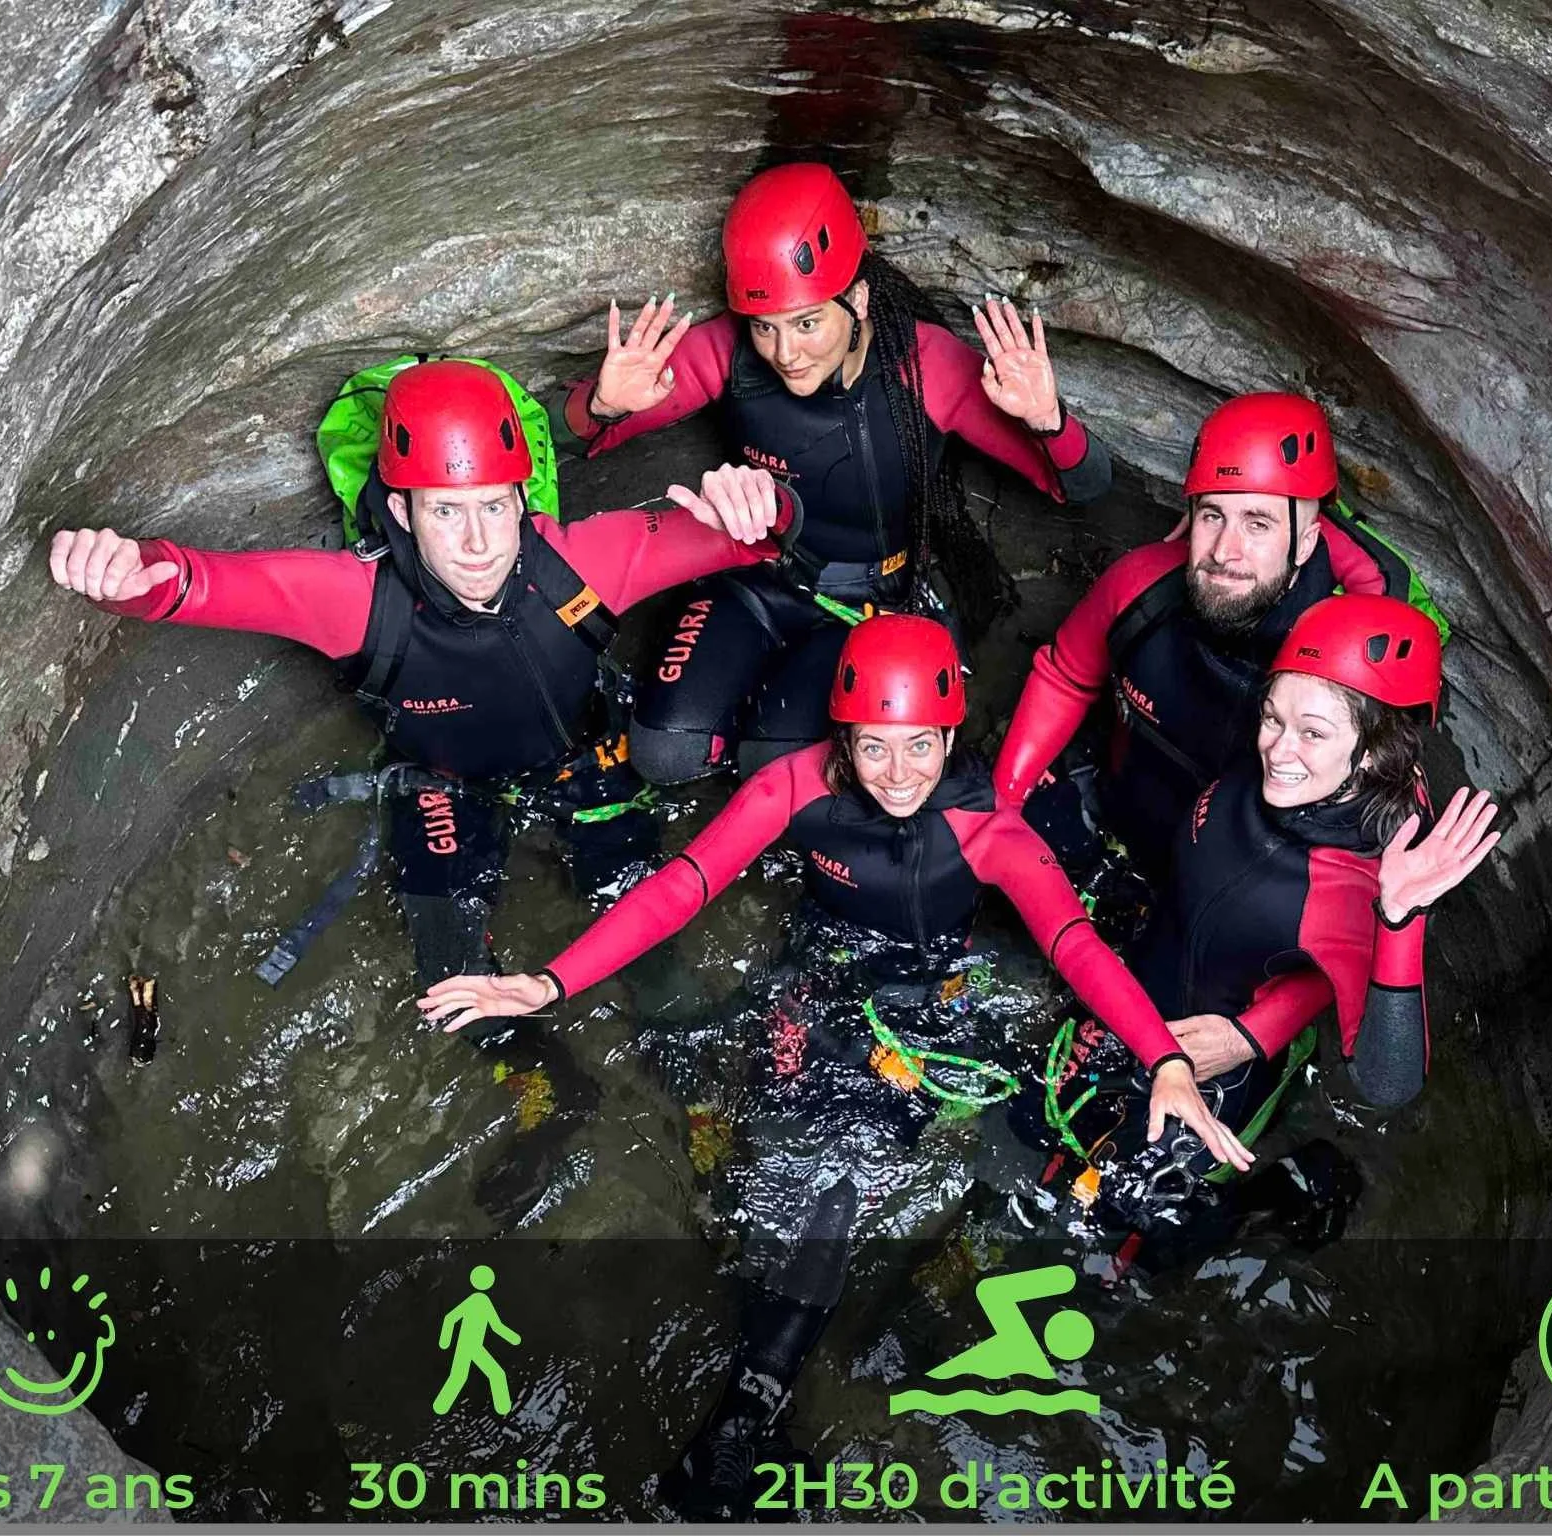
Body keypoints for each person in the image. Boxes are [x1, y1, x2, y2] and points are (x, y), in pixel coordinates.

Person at [416, 615, 1246, 1516]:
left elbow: (1074, 943)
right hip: (825, 972)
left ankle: (755, 1403)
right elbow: (686, 883)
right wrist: (547, 983)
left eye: (920, 746)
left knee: (858, 1164)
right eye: (874, 748)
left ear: (951, 737)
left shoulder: (987, 830)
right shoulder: (793, 787)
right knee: (764, 1163)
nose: (898, 774)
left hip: (938, 996)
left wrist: (1164, 1058)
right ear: (843, 737)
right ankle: (756, 1399)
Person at [48, 358, 800, 995]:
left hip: (583, 761)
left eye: (493, 508)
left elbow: (766, 540)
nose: (478, 544)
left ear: (521, 499)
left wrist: (763, 504)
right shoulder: (356, 602)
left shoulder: (584, 562)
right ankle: (544, 1091)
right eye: (445, 512)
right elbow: (201, 583)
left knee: (648, 949)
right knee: (454, 987)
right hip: (442, 786)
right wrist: (124, 576)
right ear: (403, 513)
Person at [561, 161, 1116, 784]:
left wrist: (1048, 421)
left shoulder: (924, 368)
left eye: (807, 323)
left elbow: (1084, 485)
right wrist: (603, 403)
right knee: (665, 756)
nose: (785, 353)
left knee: (774, 768)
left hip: (868, 601)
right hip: (755, 577)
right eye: (764, 327)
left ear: (858, 298)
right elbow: (564, 439)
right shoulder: (727, 352)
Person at [1031, 596, 1500, 1254]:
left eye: (1313, 733)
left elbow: (1387, 1082)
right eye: (1273, 717)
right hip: (1141, 994)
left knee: (1130, 1236)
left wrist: (1399, 920)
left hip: (1218, 1065)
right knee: (1035, 1130)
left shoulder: (1365, 875)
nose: (1278, 749)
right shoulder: (1281, 767)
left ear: (1372, 752)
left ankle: (1282, 1197)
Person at [994, 390, 1442, 887]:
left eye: (1258, 523)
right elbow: (1065, 676)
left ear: (1307, 543)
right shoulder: (1144, 586)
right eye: (1212, 515)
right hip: (1118, 815)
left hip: (1227, 887)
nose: (1225, 551)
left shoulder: (1347, 666)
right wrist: (1003, 807)